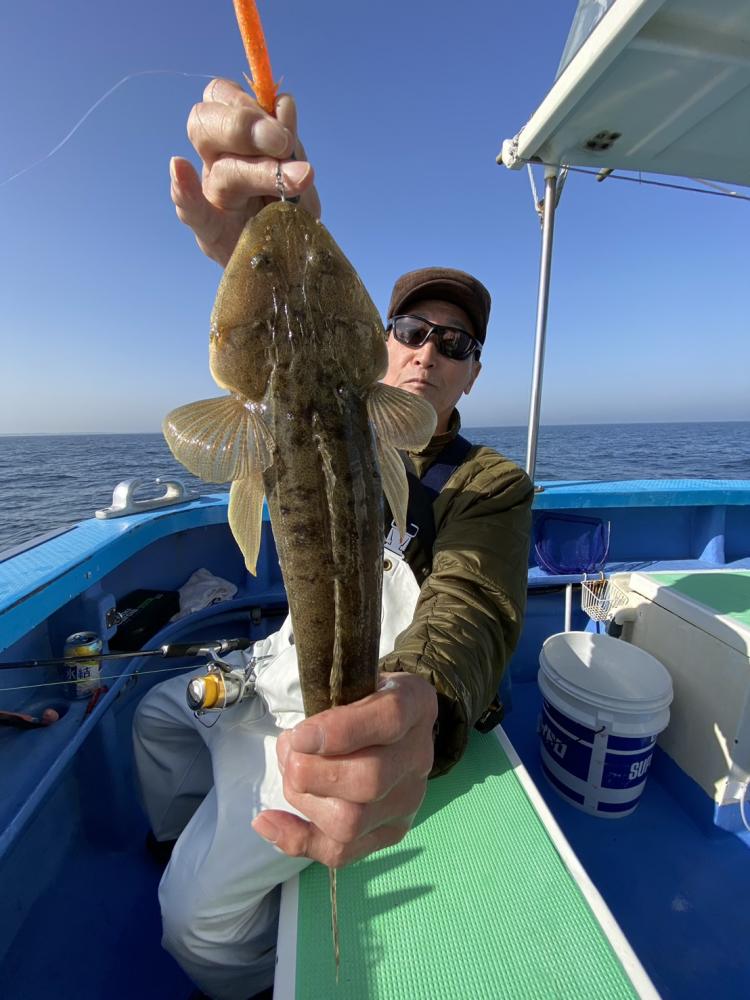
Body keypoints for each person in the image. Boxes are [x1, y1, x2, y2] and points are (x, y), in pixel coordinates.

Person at [134, 78, 533, 1000]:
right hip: (280, 665)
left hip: (370, 702)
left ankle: (245, 956)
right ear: (379, 344)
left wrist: (425, 700)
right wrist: (249, 251)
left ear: (473, 374)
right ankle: (196, 837)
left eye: (456, 343)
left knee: (190, 920)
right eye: (412, 330)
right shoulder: (298, 404)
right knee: (156, 718)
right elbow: (277, 341)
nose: (428, 351)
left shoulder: (489, 487)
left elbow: (472, 606)